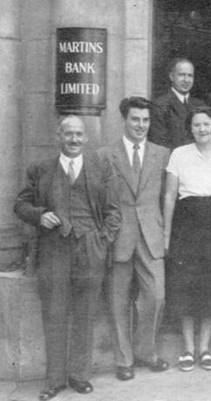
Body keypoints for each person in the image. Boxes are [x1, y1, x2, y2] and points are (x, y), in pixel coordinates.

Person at [14, 115, 121, 400]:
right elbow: (20, 204)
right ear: (58, 136)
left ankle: (79, 375)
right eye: (68, 134)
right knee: (55, 314)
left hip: (90, 249)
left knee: (85, 315)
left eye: (78, 135)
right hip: (53, 251)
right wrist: (40, 215)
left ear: (86, 138)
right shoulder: (41, 169)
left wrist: (102, 241)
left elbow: (113, 212)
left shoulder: (101, 167)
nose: (74, 140)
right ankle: (54, 379)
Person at [98, 97, 170, 381]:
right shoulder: (105, 155)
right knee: (118, 302)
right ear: (124, 120)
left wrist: (165, 230)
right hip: (118, 236)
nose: (141, 125)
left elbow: (169, 196)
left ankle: (146, 352)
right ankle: (124, 361)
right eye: (135, 119)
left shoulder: (162, 154)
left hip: (151, 234)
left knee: (157, 296)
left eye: (145, 120)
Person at [163, 106, 211, 372]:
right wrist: (167, 233)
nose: (202, 129)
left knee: (210, 287)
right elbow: (170, 195)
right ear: (190, 128)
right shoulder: (179, 155)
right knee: (185, 285)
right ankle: (188, 349)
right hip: (186, 222)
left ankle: (205, 348)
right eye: (196, 125)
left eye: (206, 124)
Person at [148, 57, 206, 149]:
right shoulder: (160, 105)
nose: (186, 80)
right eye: (181, 75)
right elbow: (159, 143)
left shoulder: (200, 105)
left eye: (190, 75)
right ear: (171, 76)